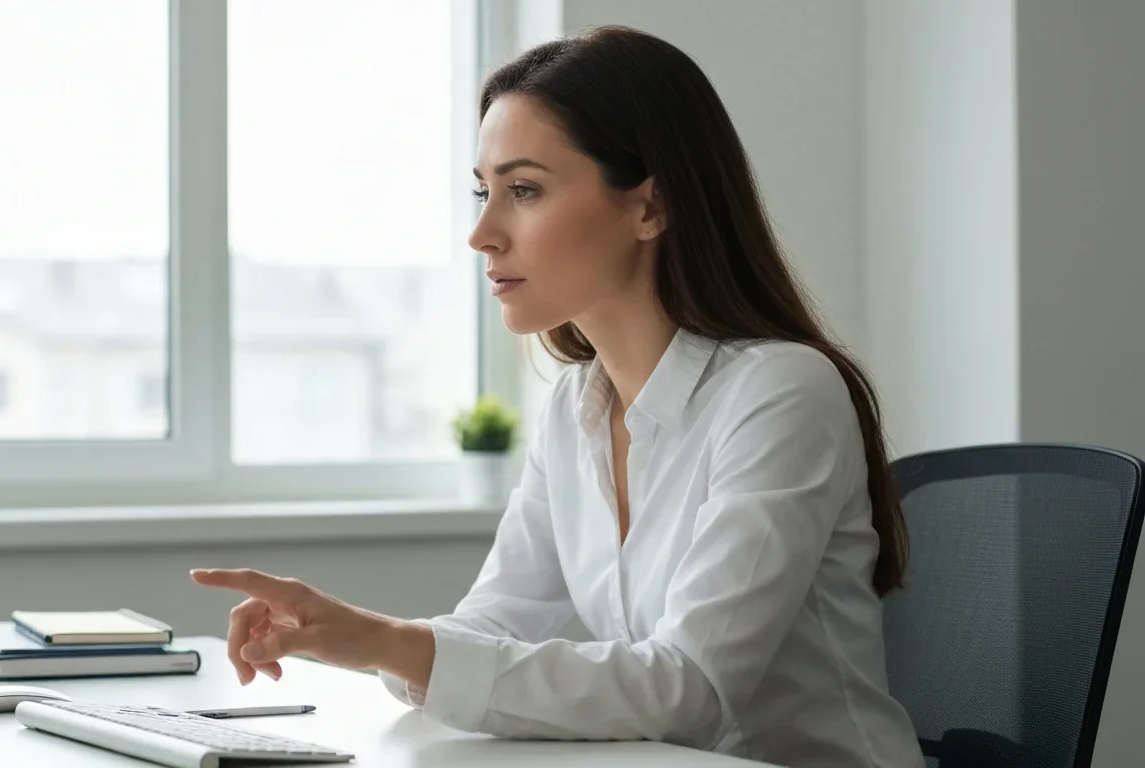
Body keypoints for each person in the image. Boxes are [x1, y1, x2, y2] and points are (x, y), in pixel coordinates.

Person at [190, 24, 923, 767]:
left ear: (649, 207)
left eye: (524, 191)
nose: (482, 232)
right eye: (484, 191)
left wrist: (386, 642)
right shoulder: (578, 407)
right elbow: (494, 625)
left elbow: (690, 689)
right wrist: (347, 637)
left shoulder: (781, 391)